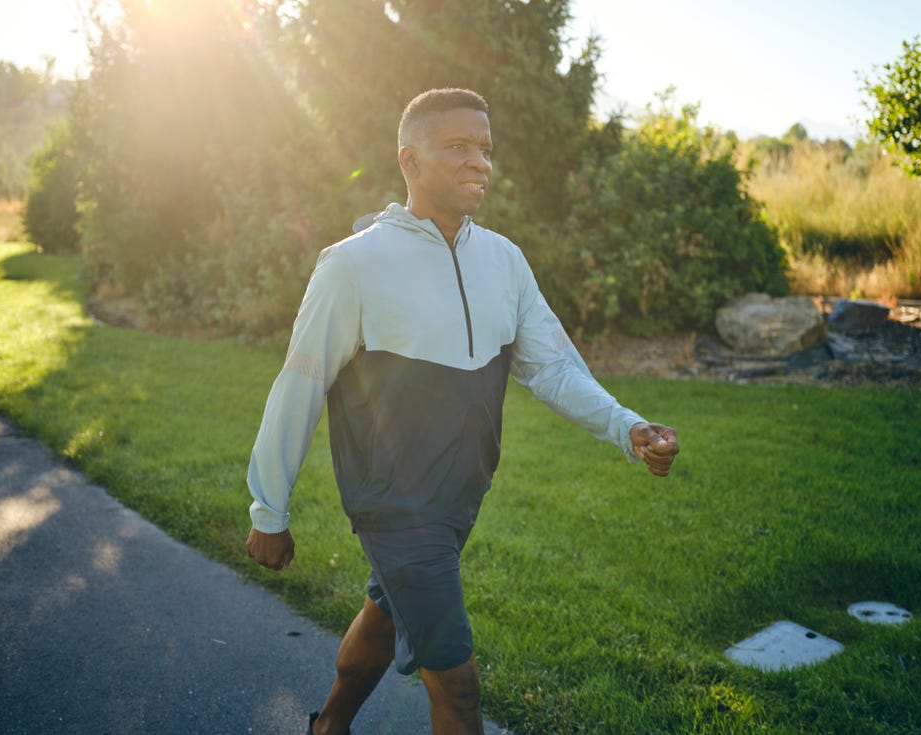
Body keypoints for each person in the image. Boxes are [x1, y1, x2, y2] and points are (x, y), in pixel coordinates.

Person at [245, 88, 679, 735]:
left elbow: (552, 366)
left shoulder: (504, 260)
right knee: (460, 686)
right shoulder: (354, 264)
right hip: (395, 505)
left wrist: (628, 425)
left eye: (485, 149)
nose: (480, 162)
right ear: (409, 160)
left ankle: (327, 726)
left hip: (460, 499)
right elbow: (300, 384)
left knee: (387, 612)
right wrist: (267, 510)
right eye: (458, 147)